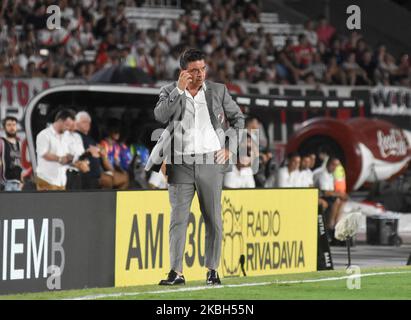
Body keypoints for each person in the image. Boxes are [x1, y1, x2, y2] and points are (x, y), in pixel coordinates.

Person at [146, 48, 244, 286]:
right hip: (180, 163)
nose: (200, 74)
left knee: (213, 219)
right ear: (183, 72)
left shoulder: (218, 91)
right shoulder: (170, 90)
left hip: (211, 162)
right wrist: (179, 90)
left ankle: (212, 270)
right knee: (178, 220)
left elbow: (239, 119)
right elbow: (160, 115)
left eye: (202, 69)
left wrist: (229, 148)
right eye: (194, 70)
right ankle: (176, 272)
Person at [35, 109, 76, 191]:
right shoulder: (44, 135)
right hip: (46, 180)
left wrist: (70, 158)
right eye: (67, 125)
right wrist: (60, 159)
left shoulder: (67, 136)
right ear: (60, 121)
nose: (68, 128)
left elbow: (71, 152)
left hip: (62, 180)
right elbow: (43, 154)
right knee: (47, 204)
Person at [315, 157, 348, 233]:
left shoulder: (331, 175)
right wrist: (339, 194)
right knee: (336, 200)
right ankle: (330, 226)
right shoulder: (323, 174)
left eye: (337, 166)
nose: (335, 167)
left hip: (326, 196)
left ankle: (336, 224)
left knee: (342, 200)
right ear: (328, 164)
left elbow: (331, 191)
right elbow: (325, 192)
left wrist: (341, 195)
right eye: (333, 165)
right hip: (320, 196)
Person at [99, 119, 130, 190]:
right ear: (110, 131)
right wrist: (114, 172)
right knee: (109, 179)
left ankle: (119, 198)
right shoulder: (103, 144)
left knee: (126, 177)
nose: (118, 133)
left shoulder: (116, 146)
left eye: (119, 131)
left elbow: (116, 162)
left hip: (112, 172)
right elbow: (105, 163)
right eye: (115, 131)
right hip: (104, 172)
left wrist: (122, 171)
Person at [0, 116, 23, 191]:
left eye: (14, 125)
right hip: (6, 182)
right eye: (9, 125)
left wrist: (21, 181)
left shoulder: (19, 143)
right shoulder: (1, 142)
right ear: (4, 128)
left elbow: (20, 163)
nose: (12, 127)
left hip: (18, 182)